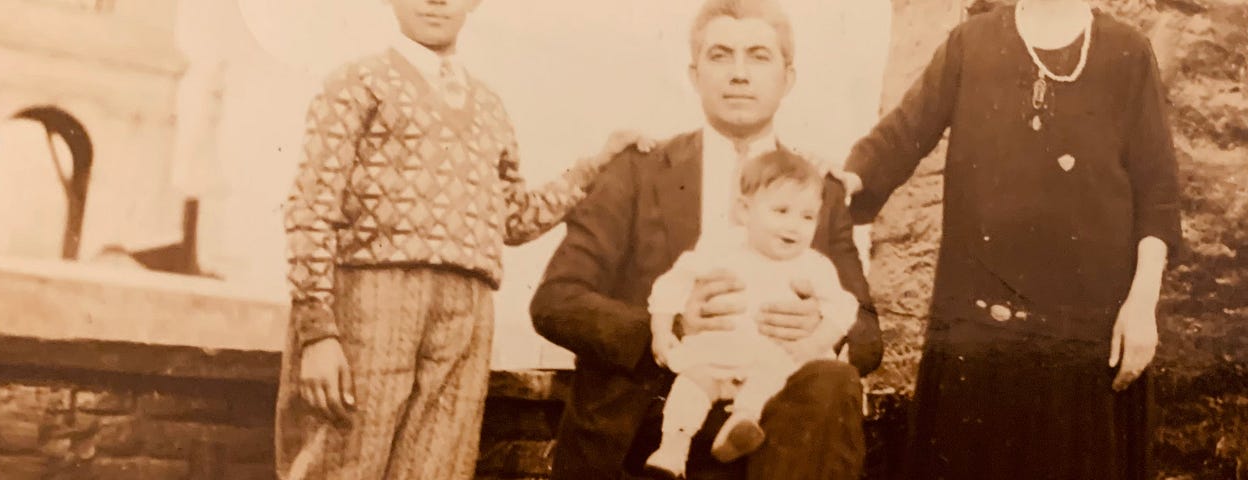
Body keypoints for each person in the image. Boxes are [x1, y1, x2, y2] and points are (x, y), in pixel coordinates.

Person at [273, 0, 648, 478]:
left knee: (438, 469)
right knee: (342, 464)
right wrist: (318, 332)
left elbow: (512, 218)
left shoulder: (488, 107)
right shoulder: (357, 83)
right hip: (371, 304)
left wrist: (593, 168)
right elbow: (311, 205)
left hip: (466, 316)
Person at [529, 0, 883, 478]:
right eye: (720, 56)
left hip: (771, 429)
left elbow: (865, 333)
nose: (739, 74)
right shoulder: (636, 172)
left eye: (758, 56)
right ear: (694, 75)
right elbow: (556, 301)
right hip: (644, 429)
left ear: (788, 78)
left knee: (831, 381)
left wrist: (819, 329)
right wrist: (672, 327)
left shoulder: (817, 190)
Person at [835, 0, 1184, 478]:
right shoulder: (970, 43)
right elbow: (902, 134)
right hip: (980, 330)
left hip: (1085, 339)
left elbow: (1158, 194)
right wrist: (849, 181)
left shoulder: (1127, 53)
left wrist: (1142, 306)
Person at [642, 151, 861, 477]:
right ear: (745, 211)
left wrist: (813, 345)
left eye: (807, 217)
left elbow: (843, 309)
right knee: (692, 382)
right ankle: (672, 450)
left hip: (774, 357)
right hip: (720, 353)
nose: (794, 226)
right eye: (781, 211)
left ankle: (740, 425)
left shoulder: (813, 265)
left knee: (769, 379)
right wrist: (662, 332)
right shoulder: (721, 249)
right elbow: (670, 287)